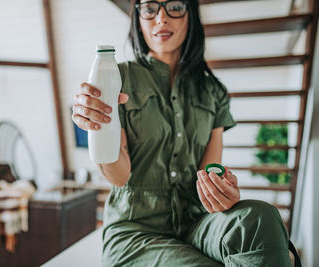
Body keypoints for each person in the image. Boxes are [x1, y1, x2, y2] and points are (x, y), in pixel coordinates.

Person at [72, 0, 292, 266]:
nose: (161, 18)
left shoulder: (213, 92)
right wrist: (98, 133)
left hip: (196, 223)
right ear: (138, 19)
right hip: (136, 231)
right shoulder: (118, 78)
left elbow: (209, 170)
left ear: (190, 15)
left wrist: (221, 191)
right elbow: (119, 176)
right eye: (150, 7)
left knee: (260, 218)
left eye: (174, 6)